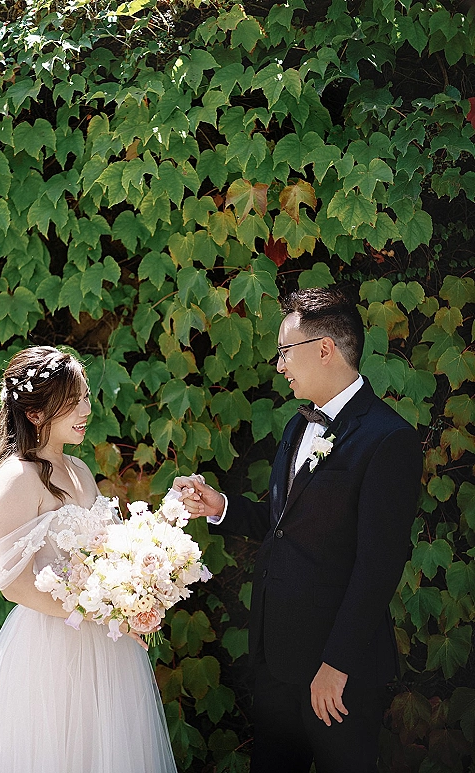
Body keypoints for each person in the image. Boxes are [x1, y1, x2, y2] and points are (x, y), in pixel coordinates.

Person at [174, 288, 423, 773]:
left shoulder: (389, 440)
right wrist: (220, 506)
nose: (280, 365)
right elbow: (283, 524)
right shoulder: (296, 426)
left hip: (338, 672)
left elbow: (379, 565)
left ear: (324, 348)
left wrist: (336, 665)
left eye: (285, 351)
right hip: (276, 660)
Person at [0, 346, 177, 773]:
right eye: (73, 401)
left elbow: (109, 547)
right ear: (35, 414)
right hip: (50, 641)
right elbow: (13, 583)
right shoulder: (17, 477)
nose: (86, 409)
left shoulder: (79, 469)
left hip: (105, 640)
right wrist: (90, 612)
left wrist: (138, 579)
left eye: (85, 397)